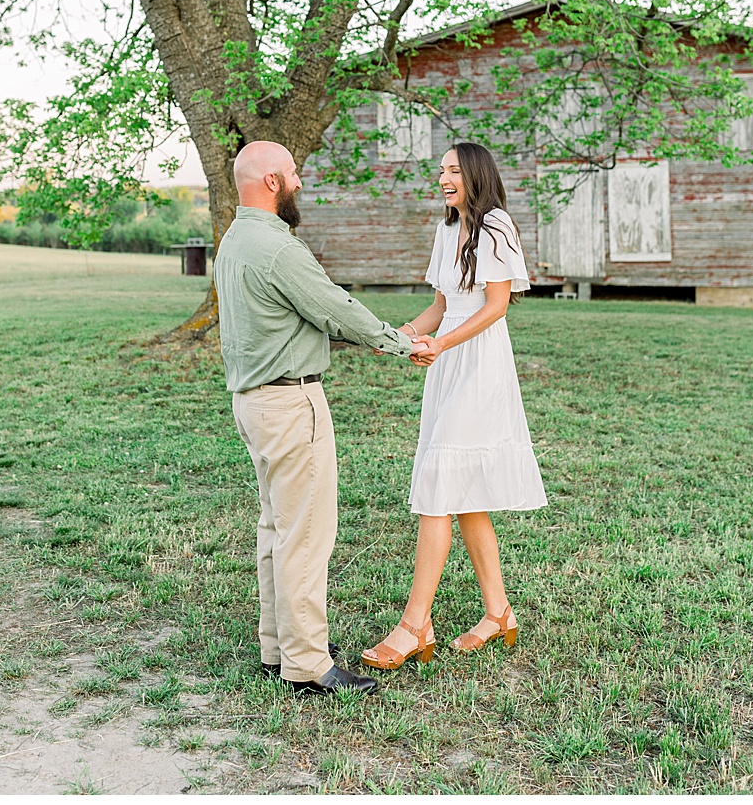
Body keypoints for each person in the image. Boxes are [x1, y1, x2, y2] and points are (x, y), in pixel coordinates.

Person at [215, 140, 435, 696]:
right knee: (306, 537)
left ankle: (278, 649)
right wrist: (401, 343)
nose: (299, 183)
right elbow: (334, 308)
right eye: (293, 174)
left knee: (276, 530)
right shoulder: (277, 248)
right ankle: (309, 664)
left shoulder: (234, 240)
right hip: (290, 404)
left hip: (252, 402)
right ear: (271, 182)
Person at [362, 142, 548, 669]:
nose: (443, 178)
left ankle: (414, 624)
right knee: (463, 494)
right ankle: (498, 613)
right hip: (448, 366)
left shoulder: (495, 226)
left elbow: (496, 306)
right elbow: (441, 306)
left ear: (475, 175)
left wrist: (442, 344)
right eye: (440, 171)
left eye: (453, 170)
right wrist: (398, 337)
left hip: (480, 366)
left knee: (439, 485)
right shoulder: (447, 231)